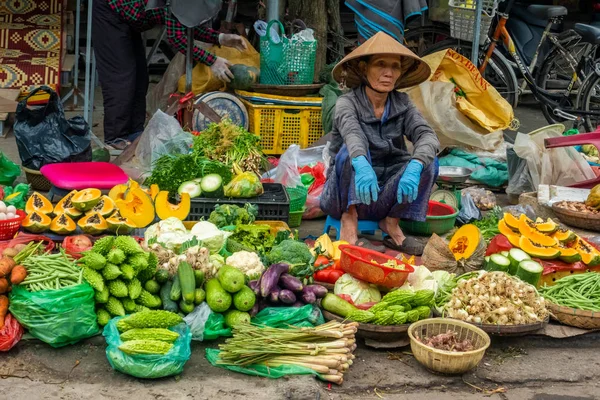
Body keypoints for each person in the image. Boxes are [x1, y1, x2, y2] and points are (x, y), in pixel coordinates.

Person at [321, 31, 440, 255]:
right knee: (349, 153)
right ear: (364, 69)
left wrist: (415, 166)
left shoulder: (403, 103)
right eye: (380, 65)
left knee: (429, 161)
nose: (388, 73)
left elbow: (427, 135)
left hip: (384, 194)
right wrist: (362, 163)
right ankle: (350, 218)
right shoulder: (347, 103)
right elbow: (353, 134)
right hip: (342, 194)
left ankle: (391, 222)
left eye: (395, 66)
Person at [92, 0, 247, 150]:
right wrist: (212, 60)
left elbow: (184, 25)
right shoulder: (176, 2)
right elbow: (176, 37)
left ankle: (134, 132)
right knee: (121, 77)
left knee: (140, 78)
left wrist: (220, 38)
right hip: (110, 12)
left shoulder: (180, 4)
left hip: (130, 18)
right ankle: (115, 137)